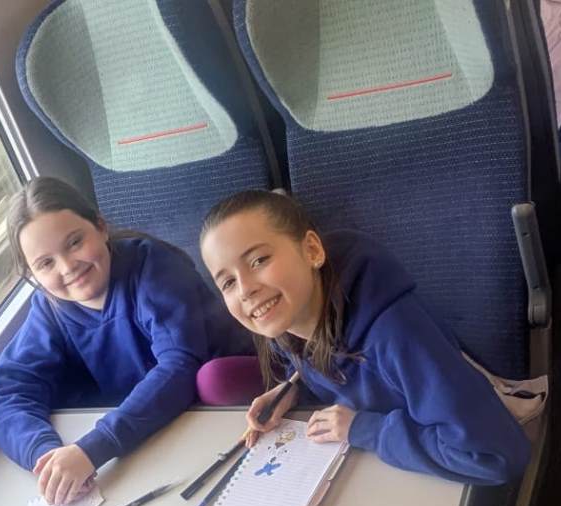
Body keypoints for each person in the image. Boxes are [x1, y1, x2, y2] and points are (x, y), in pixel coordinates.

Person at [197, 190, 533, 487]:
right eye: (227, 282)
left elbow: (495, 457)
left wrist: (364, 430)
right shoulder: (288, 325)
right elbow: (324, 371)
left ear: (312, 250)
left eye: (258, 260)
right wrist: (291, 391)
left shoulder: (396, 334)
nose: (245, 290)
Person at [0, 176, 253, 506]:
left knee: (213, 379)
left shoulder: (153, 267)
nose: (68, 267)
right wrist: (47, 457)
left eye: (74, 243)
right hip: (147, 429)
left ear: (100, 227)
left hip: (219, 407)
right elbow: (8, 393)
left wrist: (92, 449)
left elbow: (180, 366)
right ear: (32, 275)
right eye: (46, 263)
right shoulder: (49, 309)